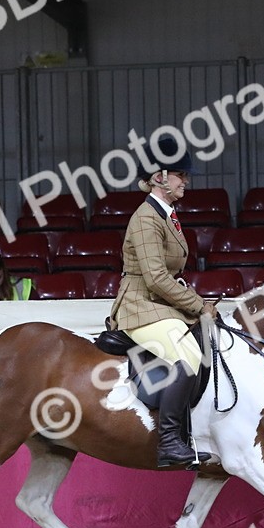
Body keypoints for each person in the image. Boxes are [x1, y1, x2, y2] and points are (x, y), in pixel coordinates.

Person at [108, 138, 218, 468]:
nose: (186, 180)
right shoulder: (146, 218)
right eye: (180, 174)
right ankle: (170, 442)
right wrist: (198, 305)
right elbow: (156, 278)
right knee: (187, 353)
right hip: (138, 305)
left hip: (157, 303)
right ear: (159, 177)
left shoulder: (166, 215)